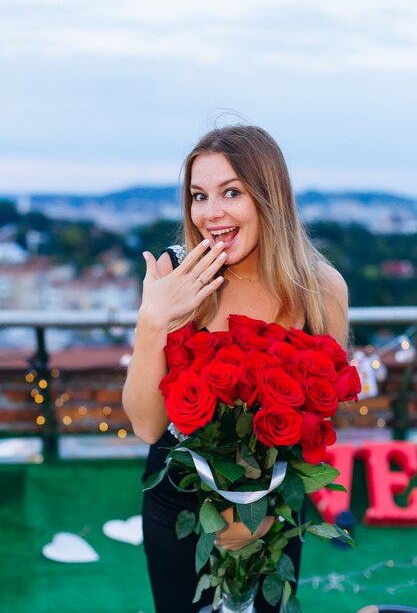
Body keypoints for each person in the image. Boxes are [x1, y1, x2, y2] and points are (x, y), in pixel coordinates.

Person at [122, 125, 349, 613]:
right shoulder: (175, 273)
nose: (210, 213)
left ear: (270, 197)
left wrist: (260, 512)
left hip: (274, 512)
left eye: (231, 192)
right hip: (175, 504)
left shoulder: (322, 290)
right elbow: (146, 425)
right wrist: (151, 320)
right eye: (199, 196)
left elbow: (316, 423)